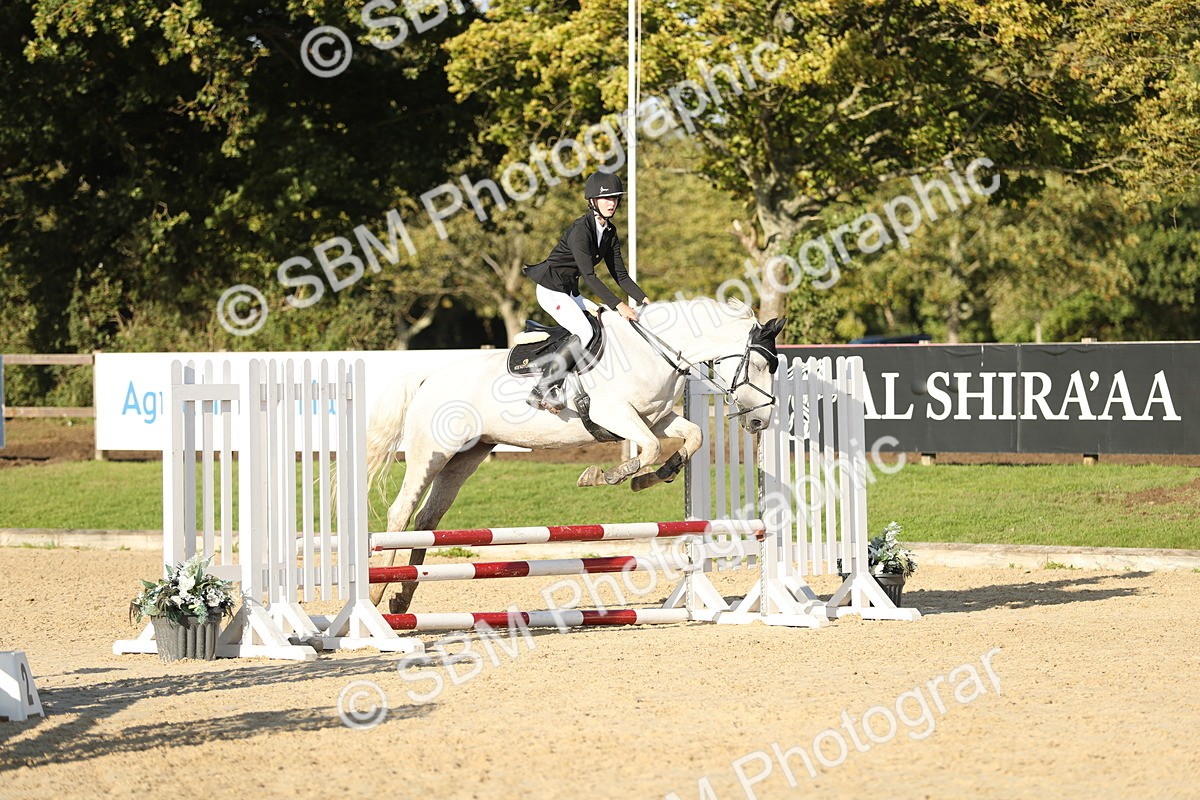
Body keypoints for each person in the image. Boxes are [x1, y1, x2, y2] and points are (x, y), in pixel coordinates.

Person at [522, 171, 649, 412]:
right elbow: (590, 276)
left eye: (615, 198)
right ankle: (543, 388)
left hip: (569, 291)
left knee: (603, 318)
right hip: (551, 288)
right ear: (592, 201)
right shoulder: (581, 230)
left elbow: (620, 275)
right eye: (606, 198)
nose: (612, 203)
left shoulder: (610, 233)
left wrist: (645, 299)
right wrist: (619, 305)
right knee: (584, 330)